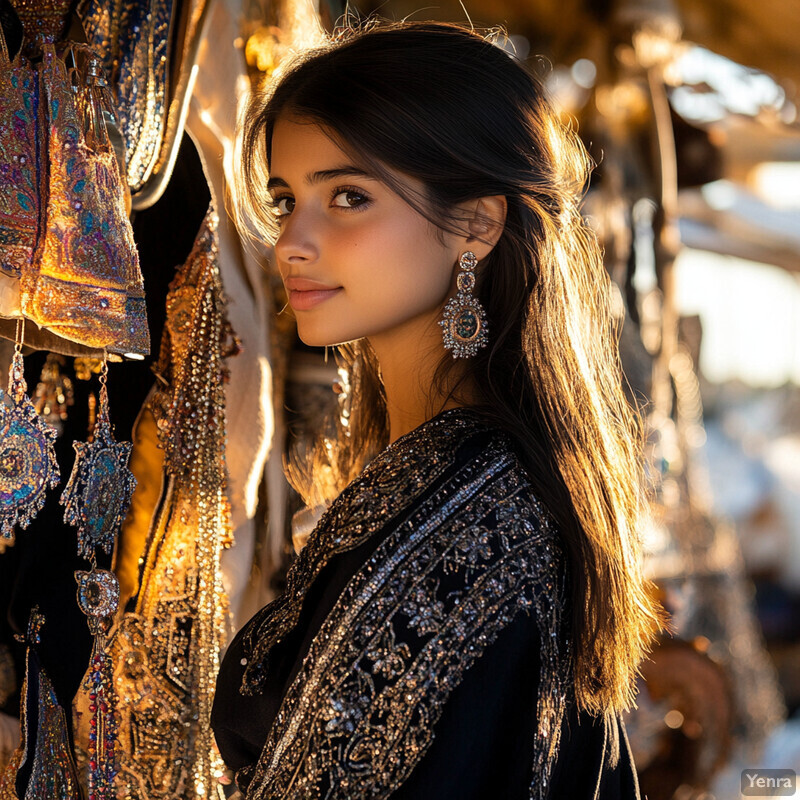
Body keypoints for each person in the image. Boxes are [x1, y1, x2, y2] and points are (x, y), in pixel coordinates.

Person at [211, 20, 663, 799]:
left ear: (477, 225)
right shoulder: (491, 476)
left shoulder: (466, 518)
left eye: (348, 197)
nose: (292, 241)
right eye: (287, 200)